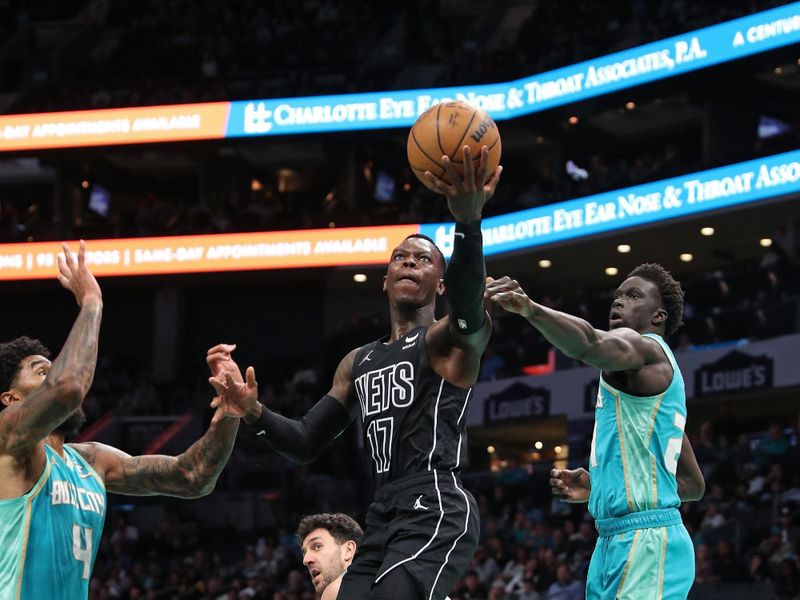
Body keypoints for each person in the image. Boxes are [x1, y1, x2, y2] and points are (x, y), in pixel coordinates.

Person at [209, 145, 502, 599]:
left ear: (440, 284)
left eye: (424, 260)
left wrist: (468, 223)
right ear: (384, 279)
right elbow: (307, 441)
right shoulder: (357, 361)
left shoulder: (448, 340)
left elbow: (469, 302)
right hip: (383, 509)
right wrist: (253, 411)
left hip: (435, 502)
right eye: (400, 257)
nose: (409, 262)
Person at [0, 242, 242, 600]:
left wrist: (229, 413)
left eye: (52, 370)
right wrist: (92, 302)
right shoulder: (8, 441)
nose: (53, 375)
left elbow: (192, 477)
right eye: (41, 373)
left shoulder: (91, 462)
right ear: (12, 399)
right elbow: (67, 388)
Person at [485, 264, 705, 599]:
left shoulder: (645, 348)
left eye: (633, 296)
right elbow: (692, 485)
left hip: (649, 543)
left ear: (658, 316)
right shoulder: (651, 393)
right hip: (611, 541)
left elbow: (587, 343)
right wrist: (601, 485)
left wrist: (531, 309)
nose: (618, 302)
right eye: (617, 296)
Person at [297, 513, 364, 599]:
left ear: (348, 550)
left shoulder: (336, 591)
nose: (305, 560)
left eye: (317, 546)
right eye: (305, 553)